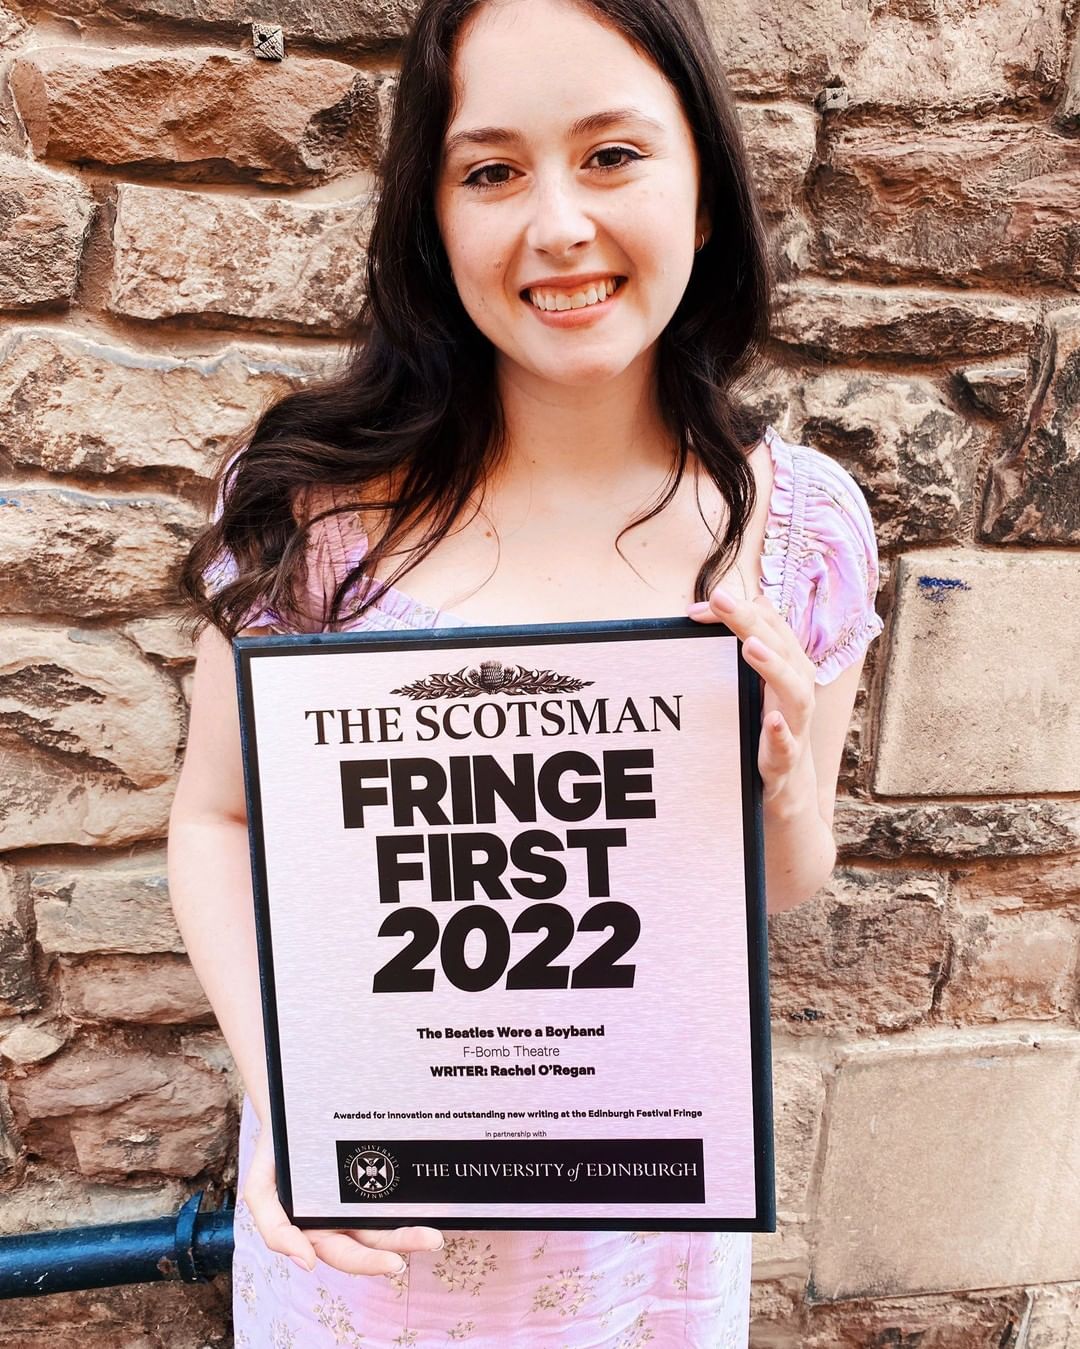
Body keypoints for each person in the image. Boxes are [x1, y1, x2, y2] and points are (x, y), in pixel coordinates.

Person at [167, 0, 885, 1342]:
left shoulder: (799, 530)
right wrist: (291, 1098)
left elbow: (787, 879)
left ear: (707, 191)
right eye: (492, 171)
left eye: (613, 155)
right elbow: (215, 818)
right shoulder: (316, 512)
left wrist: (782, 782)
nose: (558, 226)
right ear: (432, 220)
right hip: (366, 1266)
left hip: (637, 1264)